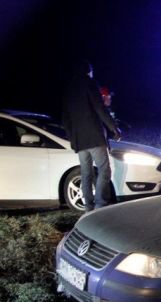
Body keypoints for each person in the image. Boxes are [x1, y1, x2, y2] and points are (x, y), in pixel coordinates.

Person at [62, 60, 120, 212]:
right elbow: (100, 108)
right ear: (89, 71)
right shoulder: (90, 83)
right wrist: (114, 128)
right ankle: (101, 204)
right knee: (104, 170)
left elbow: (66, 118)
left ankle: (88, 206)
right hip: (94, 137)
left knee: (86, 173)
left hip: (79, 140)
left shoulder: (69, 89)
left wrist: (72, 138)